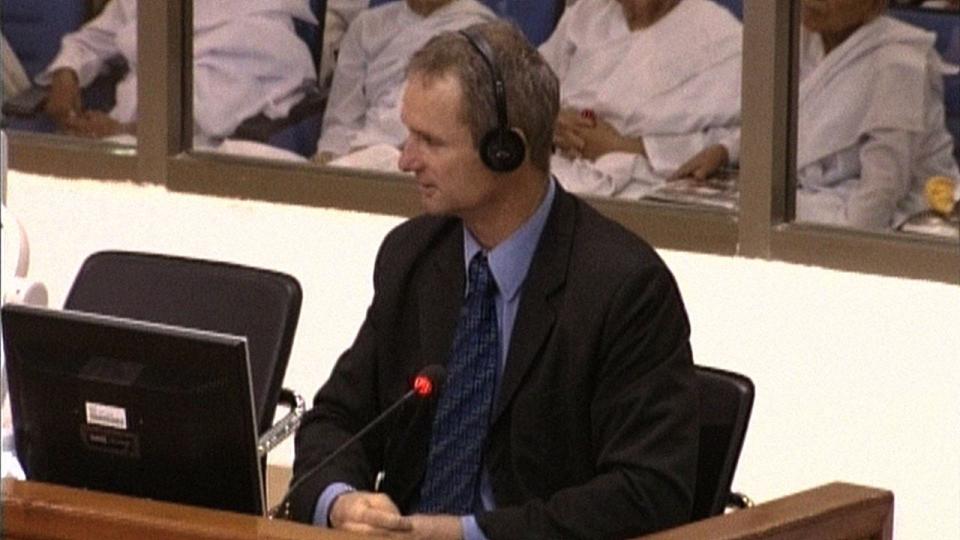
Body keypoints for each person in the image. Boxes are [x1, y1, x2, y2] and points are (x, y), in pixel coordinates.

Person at [290, 20, 698, 540]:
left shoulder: (624, 287)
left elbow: (647, 492)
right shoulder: (412, 256)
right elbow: (336, 419)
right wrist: (340, 500)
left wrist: (466, 533)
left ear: (505, 150)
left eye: (430, 142)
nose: (405, 159)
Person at [36, 0, 317, 146]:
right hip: (117, 143)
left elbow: (213, 121)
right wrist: (66, 73)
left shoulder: (258, 19)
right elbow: (92, 39)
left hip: (203, 165)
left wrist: (120, 131)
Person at [538, 0, 742, 199]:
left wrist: (623, 146)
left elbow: (746, 135)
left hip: (646, 189)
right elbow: (527, 87)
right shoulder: (586, 15)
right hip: (552, 171)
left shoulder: (723, 40)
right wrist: (551, 120)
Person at [314, 0, 495, 166]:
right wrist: (329, 156)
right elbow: (341, 118)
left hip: (428, 162)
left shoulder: (481, 32)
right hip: (358, 156)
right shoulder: (366, 27)